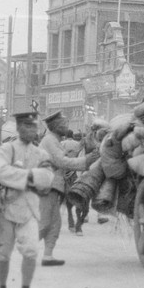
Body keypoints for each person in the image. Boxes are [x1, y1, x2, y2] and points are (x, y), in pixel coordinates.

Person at [0, 111, 55, 288]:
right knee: (4, 253)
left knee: (31, 251)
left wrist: (23, 174)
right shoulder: (7, 149)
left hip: (29, 207)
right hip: (7, 206)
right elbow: (2, 173)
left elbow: (48, 177)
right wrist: (31, 177)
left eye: (34, 127)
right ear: (19, 128)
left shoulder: (41, 153)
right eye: (27, 126)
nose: (31, 131)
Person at [36, 111, 97, 266]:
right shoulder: (49, 140)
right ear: (56, 126)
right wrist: (86, 161)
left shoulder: (54, 140)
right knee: (45, 222)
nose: (66, 128)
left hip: (54, 185)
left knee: (54, 223)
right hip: (47, 185)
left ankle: (47, 256)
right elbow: (62, 161)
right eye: (64, 125)